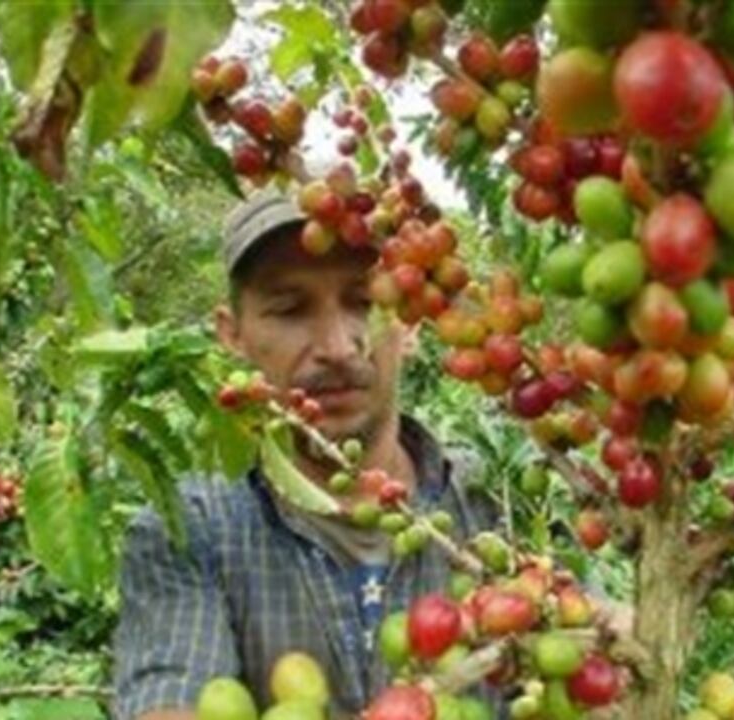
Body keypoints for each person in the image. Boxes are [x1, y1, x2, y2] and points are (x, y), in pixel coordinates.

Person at [112, 190, 497, 719]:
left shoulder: (495, 504)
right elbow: (169, 699)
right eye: (290, 310)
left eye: (364, 302)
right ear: (234, 334)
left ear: (408, 323)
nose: (337, 346)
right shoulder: (190, 529)